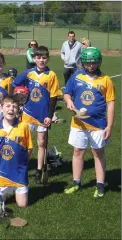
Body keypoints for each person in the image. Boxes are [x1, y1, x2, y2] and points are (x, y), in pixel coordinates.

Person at [63, 47, 115, 198]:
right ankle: (76, 183)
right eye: (88, 63)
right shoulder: (77, 76)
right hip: (78, 123)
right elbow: (67, 93)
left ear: (99, 62)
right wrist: (68, 102)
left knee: (98, 153)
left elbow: (111, 104)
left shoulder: (105, 80)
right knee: (78, 151)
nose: (91, 65)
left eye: (94, 62)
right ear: (83, 63)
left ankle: (100, 185)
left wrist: (109, 126)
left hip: (98, 124)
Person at [13, 46, 62, 184]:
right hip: (28, 113)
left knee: (41, 143)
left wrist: (50, 115)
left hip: (43, 115)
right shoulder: (28, 73)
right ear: (34, 59)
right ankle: (22, 168)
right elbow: (15, 83)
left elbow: (54, 97)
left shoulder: (51, 75)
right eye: (38, 57)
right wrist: (22, 92)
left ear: (47, 59)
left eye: (44, 58)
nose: (41, 60)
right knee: (25, 144)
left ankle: (39, 170)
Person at [0, 95, 33, 207]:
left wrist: (22, 164)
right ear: (1, 108)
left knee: (22, 205)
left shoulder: (23, 126)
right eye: (8, 106)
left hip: (19, 172)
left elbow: (29, 148)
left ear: (18, 109)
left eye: (14, 106)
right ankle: (4, 188)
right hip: (1, 173)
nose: (11, 109)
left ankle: (16, 188)